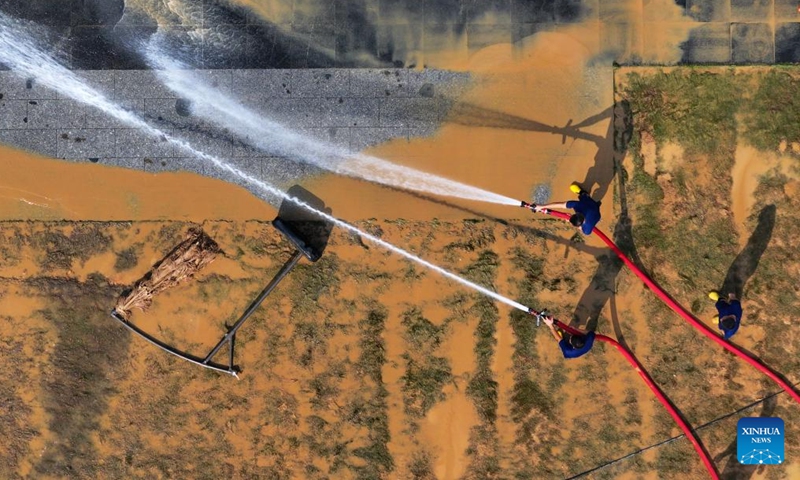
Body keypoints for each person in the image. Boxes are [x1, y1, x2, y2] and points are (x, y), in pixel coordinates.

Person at [534, 182, 601, 235]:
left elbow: (560, 205)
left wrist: (542, 206)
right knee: (585, 199)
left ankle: (583, 194)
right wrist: (542, 206)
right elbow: (560, 205)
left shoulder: (586, 229)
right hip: (592, 209)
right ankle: (583, 194)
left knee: (584, 198)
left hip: (594, 212)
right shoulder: (579, 206)